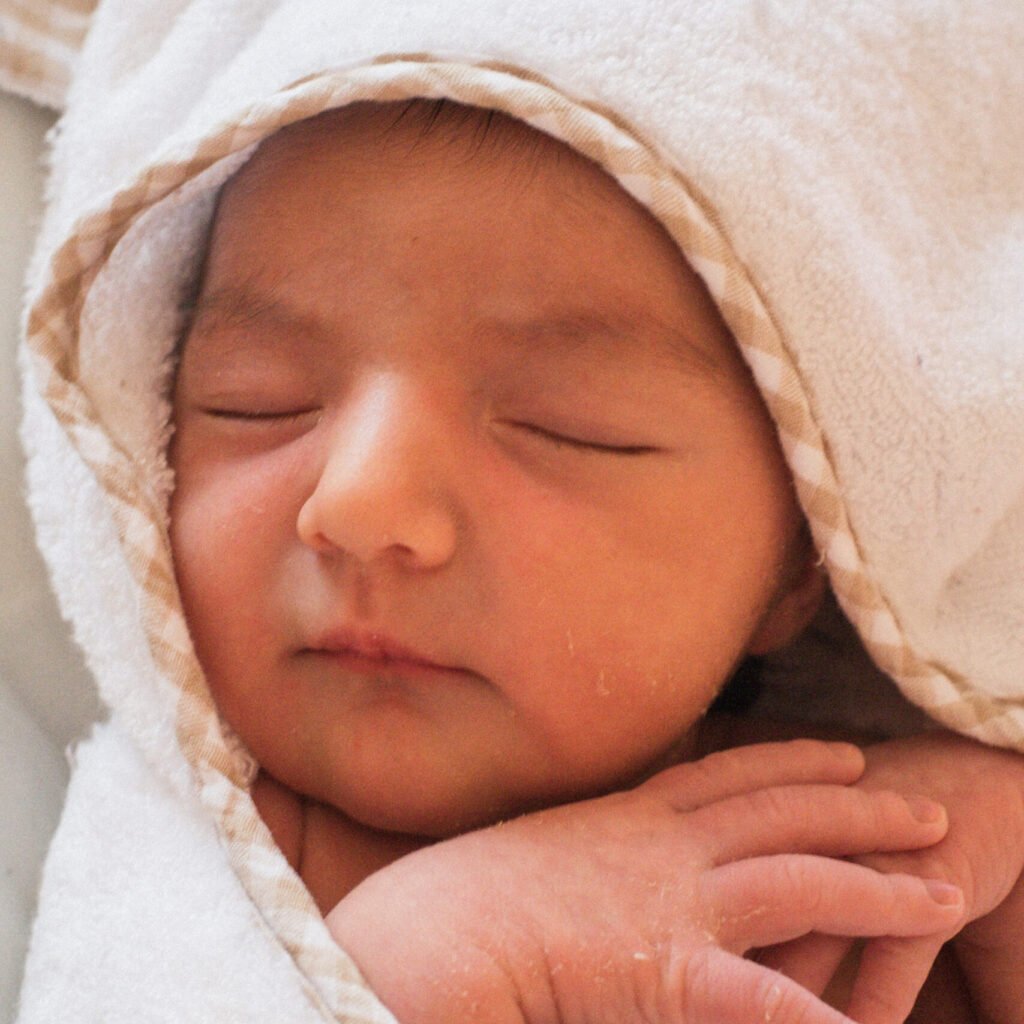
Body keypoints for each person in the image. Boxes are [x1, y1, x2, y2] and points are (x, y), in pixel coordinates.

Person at [167, 99, 1024, 1023]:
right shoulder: (207, 852)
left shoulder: (863, 855)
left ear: (804, 557)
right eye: (257, 402)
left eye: (565, 430)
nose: (362, 503)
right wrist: (423, 959)